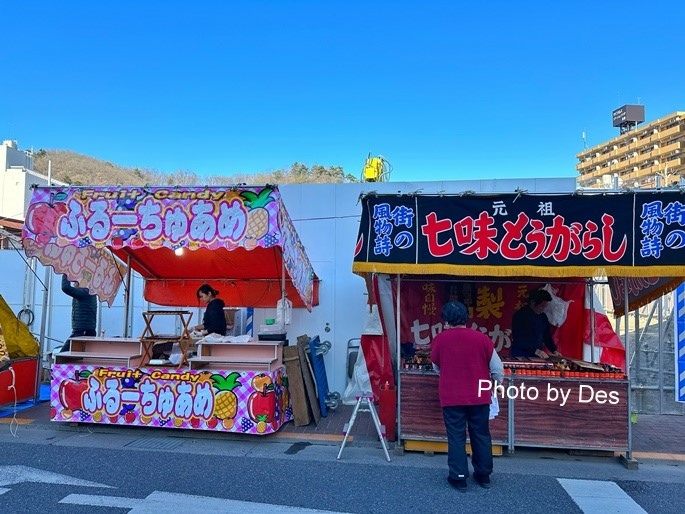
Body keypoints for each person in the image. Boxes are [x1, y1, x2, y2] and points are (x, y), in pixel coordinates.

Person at [430, 300, 504, 492]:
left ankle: (459, 477)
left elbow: (436, 366)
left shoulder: (440, 340)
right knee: (481, 434)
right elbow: (497, 369)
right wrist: (495, 385)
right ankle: (483, 475)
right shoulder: (482, 339)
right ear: (466, 317)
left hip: (451, 395)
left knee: (456, 436)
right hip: (480, 396)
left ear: (446, 320)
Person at [511, 289, 561, 359]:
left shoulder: (543, 317)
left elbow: (547, 336)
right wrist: (536, 351)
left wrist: (554, 350)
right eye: (541, 306)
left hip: (535, 356)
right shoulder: (521, 315)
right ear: (533, 302)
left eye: (545, 307)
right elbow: (518, 339)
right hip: (520, 354)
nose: (543, 309)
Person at [61, 274, 97, 352]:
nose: (74, 284)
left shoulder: (84, 292)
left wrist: (65, 273)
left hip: (81, 331)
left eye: (76, 282)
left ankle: (57, 364)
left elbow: (65, 287)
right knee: (80, 355)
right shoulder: (89, 292)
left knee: (63, 354)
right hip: (87, 330)